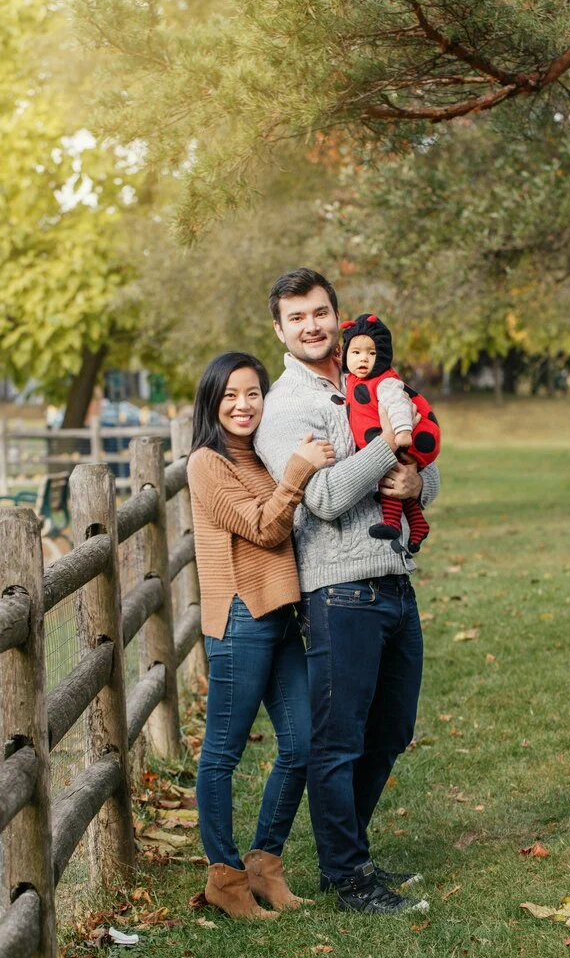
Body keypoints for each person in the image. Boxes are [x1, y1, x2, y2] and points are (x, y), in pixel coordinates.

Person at [255, 269, 440, 915]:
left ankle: (351, 852)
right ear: (279, 329)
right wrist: (383, 451)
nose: (311, 325)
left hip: (395, 578)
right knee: (339, 741)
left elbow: (426, 466)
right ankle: (346, 875)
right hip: (338, 591)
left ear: (336, 316)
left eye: (319, 312)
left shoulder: (372, 380)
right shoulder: (284, 409)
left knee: (391, 729)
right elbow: (326, 497)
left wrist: (417, 485)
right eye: (297, 317)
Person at [187, 351, 334, 920]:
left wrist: (289, 470)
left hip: (280, 616)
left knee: (301, 745)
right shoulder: (207, 463)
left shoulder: (264, 459)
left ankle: (264, 865)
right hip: (241, 620)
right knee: (222, 754)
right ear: (212, 402)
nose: (243, 405)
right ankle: (224, 876)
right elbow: (263, 527)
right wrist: (298, 471)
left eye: (253, 394)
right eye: (230, 395)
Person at [340, 313, 440, 553]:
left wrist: (402, 432)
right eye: (355, 353)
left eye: (371, 354)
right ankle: (418, 524)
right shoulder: (352, 379)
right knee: (397, 478)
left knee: (390, 476)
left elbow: (398, 405)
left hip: (407, 439)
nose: (363, 359)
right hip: (389, 439)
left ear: (381, 355)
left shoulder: (385, 382)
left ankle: (391, 522)